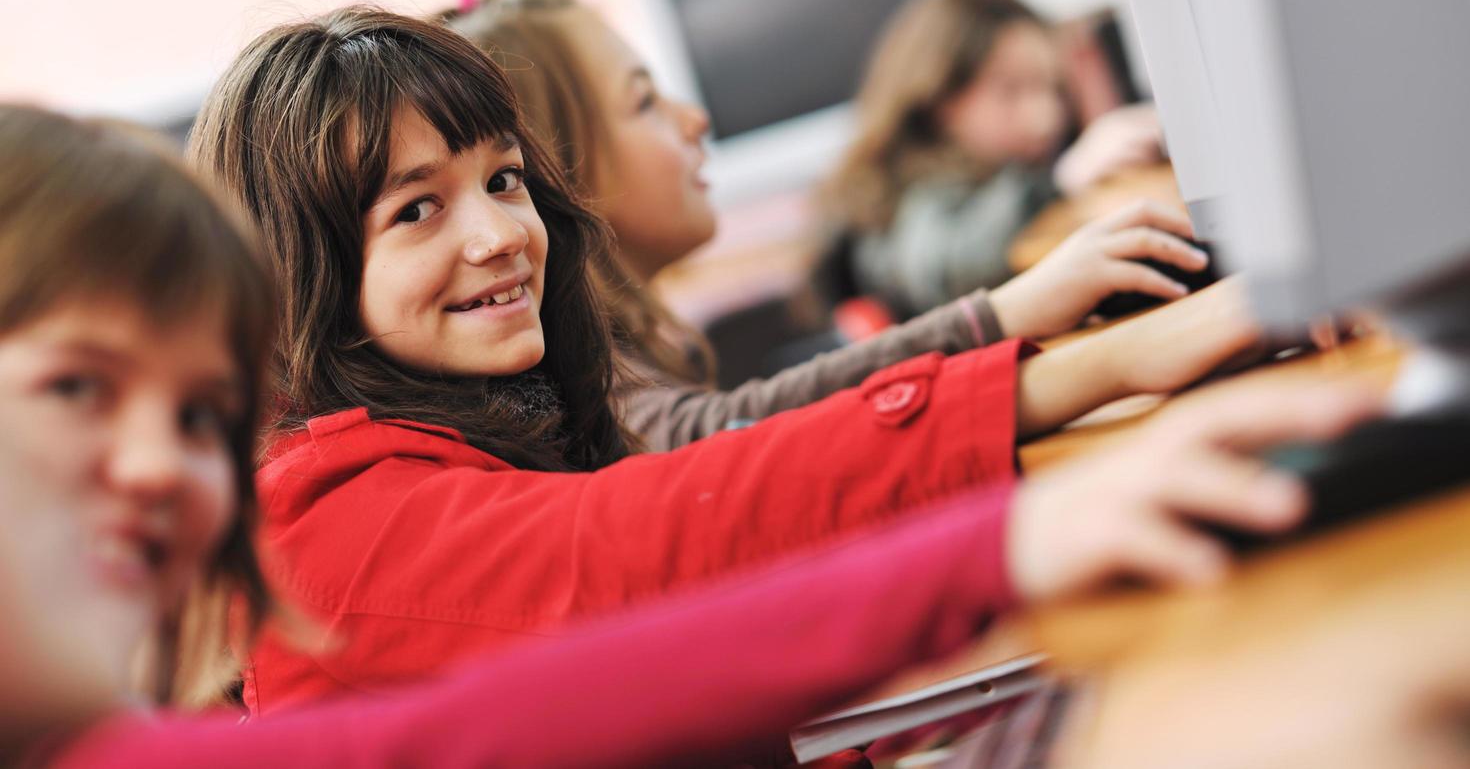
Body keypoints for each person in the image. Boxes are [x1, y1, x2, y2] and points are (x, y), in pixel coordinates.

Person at [3, 105, 1425, 769]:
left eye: (201, 414)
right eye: (78, 390)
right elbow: (635, 554)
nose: (163, 468)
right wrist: (1026, 474)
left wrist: (1020, 517)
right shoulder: (334, 521)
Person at [188, 8, 1264, 714]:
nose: (499, 235)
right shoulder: (323, 526)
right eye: (416, 208)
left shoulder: (480, 430)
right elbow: (656, 540)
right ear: (296, 274)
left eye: (505, 181)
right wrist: (1081, 388)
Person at [444, 0, 1201, 450]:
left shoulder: (635, 351)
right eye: (645, 101)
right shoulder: (582, 389)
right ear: (557, 167)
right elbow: (725, 447)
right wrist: (1021, 316)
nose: (695, 118)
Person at [817, 0, 1164, 316]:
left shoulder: (999, 166)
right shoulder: (905, 190)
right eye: (1011, 90)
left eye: (1051, 87)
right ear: (940, 98)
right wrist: (1059, 181)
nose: (1044, 116)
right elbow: (950, 264)